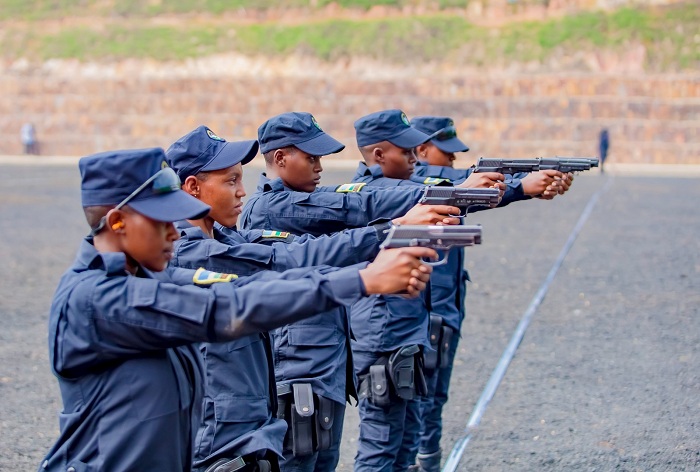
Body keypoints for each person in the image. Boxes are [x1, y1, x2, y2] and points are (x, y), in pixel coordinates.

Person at [39, 146, 435, 472]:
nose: (175, 231)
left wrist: (367, 270)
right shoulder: (98, 298)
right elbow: (227, 307)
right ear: (117, 223)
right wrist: (363, 280)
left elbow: (249, 287)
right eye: (162, 221)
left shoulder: (145, 277)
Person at [164, 125, 451, 472]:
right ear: (193, 187)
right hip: (220, 433)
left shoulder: (227, 238)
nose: (241, 191)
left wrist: (389, 244)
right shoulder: (189, 252)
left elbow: (308, 251)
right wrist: (371, 272)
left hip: (252, 420)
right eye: (230, 181)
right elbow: (285, 263)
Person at [239, 112, 462, 472]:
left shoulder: (303, 198)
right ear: (280, 158)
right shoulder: (272, 207)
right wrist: (396, 226)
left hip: (323, 367)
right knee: (344, 455)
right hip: (300, 369)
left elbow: (362, 202)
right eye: (310, 158)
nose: (319, 167)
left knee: (340, 457)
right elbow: (338, 235)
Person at [408, 115, 574, 472]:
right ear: (420, 151)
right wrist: (522, 185)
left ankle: (427, 461)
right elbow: (460, 183)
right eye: (445, 152)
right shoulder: (413, 184)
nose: (453, 159)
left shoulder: (439, 183)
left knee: (434, 398)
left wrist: (530, 183)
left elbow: (466, 183)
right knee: (421, 402)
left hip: (445, 309)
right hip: (428, 314)